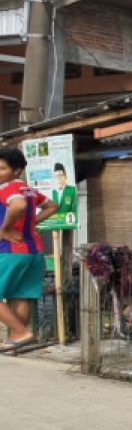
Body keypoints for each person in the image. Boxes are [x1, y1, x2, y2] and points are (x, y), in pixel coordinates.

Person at [0, 147, 57, 354]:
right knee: (20, 295)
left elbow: (18, 205)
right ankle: (16, 341)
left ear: (16, 171)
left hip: (10, 251)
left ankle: (20, 332)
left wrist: (4, 230)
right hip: (33, 251)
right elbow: (52, 206)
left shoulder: (7, 189)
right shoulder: (29, 189)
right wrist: (32, 225)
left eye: (1, 168)